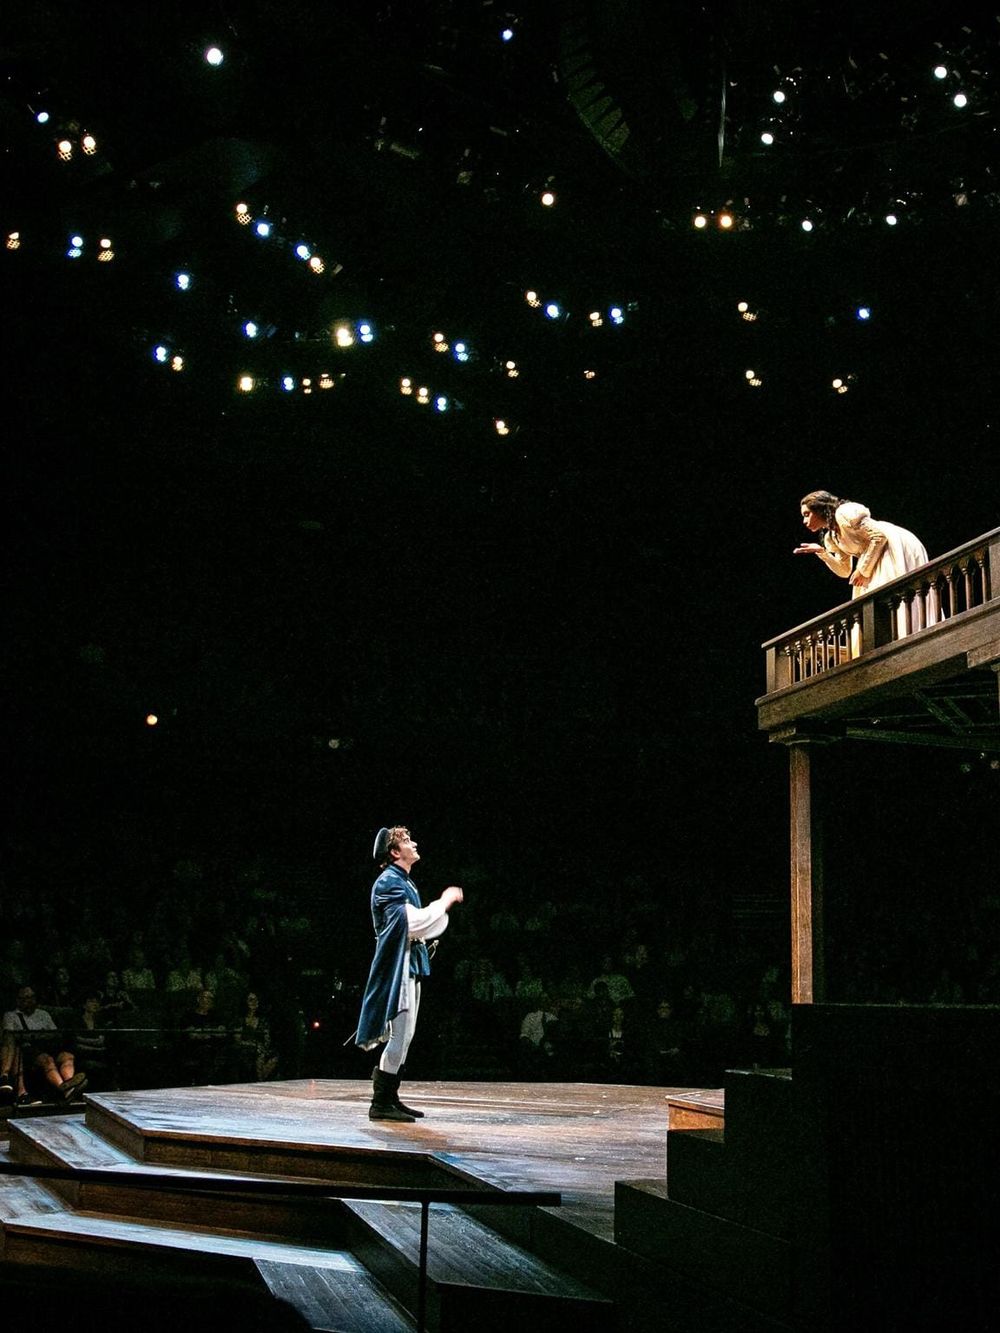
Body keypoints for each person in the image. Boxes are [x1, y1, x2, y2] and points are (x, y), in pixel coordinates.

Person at [355, 826, 463, 1122]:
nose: (414, 843)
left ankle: (390, 1096)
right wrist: (444, 901)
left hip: (409, 960)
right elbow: (412, 923)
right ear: (394, 852)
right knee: (400, 1034)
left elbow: (422, 926)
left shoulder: (404, 881)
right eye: (406, 841)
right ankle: (380, 1102)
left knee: (407, 1034)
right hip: (397, 964)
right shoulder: (389, 881)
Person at [795, 490, 929, 638]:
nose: (804, 521)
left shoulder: (844, 513)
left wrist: (862, 570)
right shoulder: (832, 536)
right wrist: (823, 553)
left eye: (807, 514)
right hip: (873, 554)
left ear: (819, 509)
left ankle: (907, 634)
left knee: (888, 591)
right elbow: (845, 571)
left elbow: (878, 537)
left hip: (891, 545)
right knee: (870, 597)